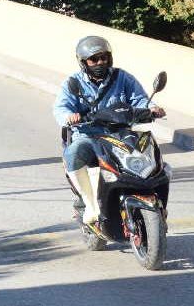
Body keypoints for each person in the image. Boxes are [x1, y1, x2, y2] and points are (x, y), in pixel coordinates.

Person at [54, 36, 165, 226]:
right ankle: (90, 205)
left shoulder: (122, 77)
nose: (100, 62)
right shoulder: (73, 83)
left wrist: (152, 108)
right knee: (73, 154)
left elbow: (139, 99)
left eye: (104, 57)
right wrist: (69, 116)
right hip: (89, 135)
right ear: (83, 62)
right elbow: (61, 108)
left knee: (153, 158)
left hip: (120, 134)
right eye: (94, 59)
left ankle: (151, 199)